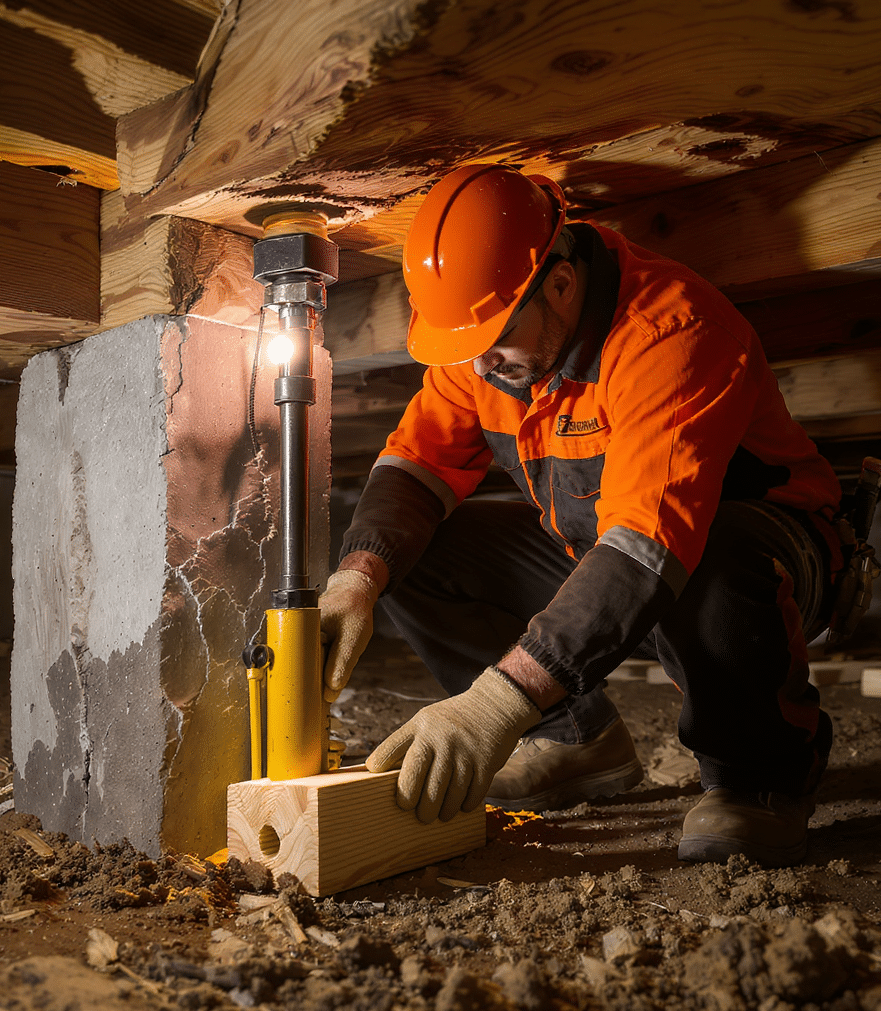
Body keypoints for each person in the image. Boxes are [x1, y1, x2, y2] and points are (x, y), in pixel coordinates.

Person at [318, 164, 844, 867]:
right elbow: (418, 465)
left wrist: (493, 705)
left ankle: (763, 774)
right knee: (412, 550)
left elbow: (651, 546)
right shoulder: (487, 341)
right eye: (465, 352)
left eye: (493, 345)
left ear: (562, 284)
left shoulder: (672, 331)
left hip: (762, 568)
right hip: (607, 564)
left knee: (712, 547)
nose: (478, 369)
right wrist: (355, 580)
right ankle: (572, 741)